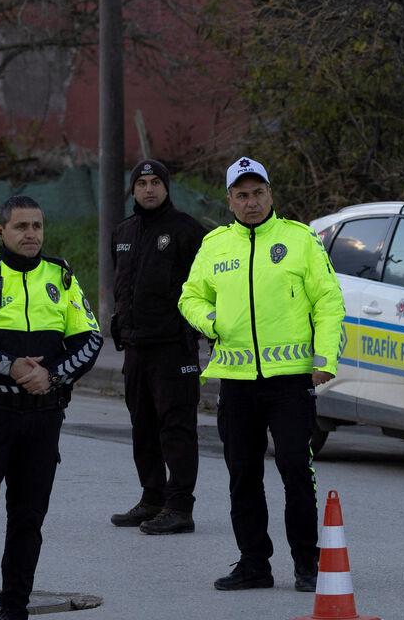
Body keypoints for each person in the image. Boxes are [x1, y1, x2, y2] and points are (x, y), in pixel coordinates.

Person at [179, 157, 345, 593]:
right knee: (243, 474)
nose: (250, 202)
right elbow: (189, 297)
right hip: (236, 382)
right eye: (242, 195)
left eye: (258, 193)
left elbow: (328, 301)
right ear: (229, 200)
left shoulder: (300, 239)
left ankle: (307, 565)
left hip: (290, 381)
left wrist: (325, 357)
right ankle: (254, 564)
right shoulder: (215, 245)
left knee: (295, 469)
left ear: (270, 194)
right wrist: (212, 320)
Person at [0, 196, 102, 620]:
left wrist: (54, 376)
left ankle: (15, 610)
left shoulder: (61, 277)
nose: (31, 234)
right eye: (21, 227)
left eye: (37, 226)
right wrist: (9, 365)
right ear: (1, 232)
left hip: (43, 416)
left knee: (28, 519)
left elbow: (90, 339)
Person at [108, 160, 207, 534]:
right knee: (142, 426)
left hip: (174, 348)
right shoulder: (122, 232)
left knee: (177, 427)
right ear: (132, 190)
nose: (148, 189)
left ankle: (180, 506)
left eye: (155, 183)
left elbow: (204, 289)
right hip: (136, 348)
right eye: (141, 183)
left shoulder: (187, 231)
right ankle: (152, 499)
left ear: (167, 188)